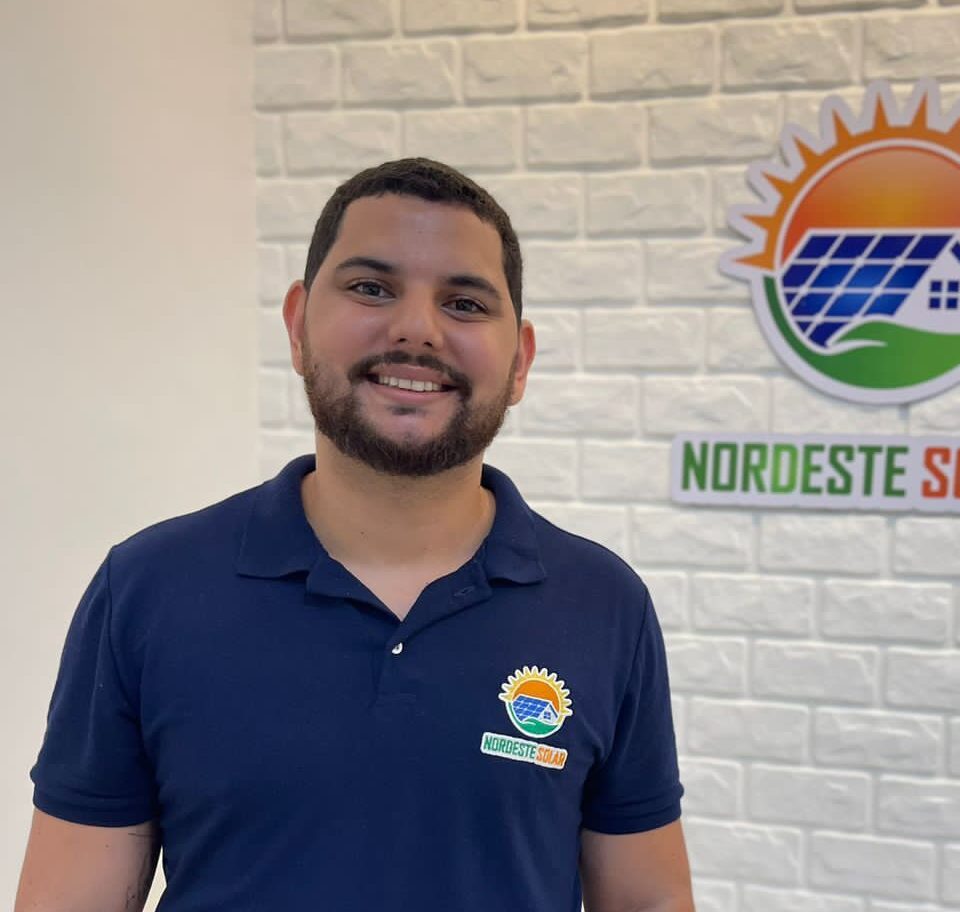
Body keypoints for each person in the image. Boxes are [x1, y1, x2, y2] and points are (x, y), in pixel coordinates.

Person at [17, 158, 694, 911]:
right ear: (298, 325)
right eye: (371, 288)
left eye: (465, 303)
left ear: (520, 362)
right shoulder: (148, 588)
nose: (417, 329)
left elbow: (650, 902)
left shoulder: (602, 605)